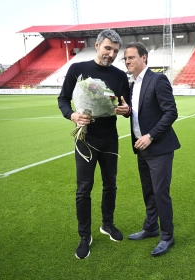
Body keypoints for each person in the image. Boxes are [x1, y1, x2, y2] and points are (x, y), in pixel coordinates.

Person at [58, 29, 130, 259]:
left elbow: (125, 107)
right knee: (84, 189)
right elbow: (62, 99)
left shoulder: (120, 76)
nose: (111, 54)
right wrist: (72, 115)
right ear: (98, 45)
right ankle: (84, 235)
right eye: (108, 48)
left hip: (110, 137)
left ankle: (107, 224)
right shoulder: (78, 69)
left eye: (116, 51)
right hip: (86, 136)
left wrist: (127, 110)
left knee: (111, 185)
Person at [115, 41, 181, 256]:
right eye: (125, 59)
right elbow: (139, 112)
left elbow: (171, 112)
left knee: (161, 192)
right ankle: (151, 227)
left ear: (144, 58)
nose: (127, 62)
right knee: (149, 191)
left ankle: (167, 236)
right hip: (140, 147)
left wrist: (150, 136)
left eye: (131, 58)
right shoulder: (132, 84)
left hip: (158, 147)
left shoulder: (158, 79)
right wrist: (126, 111)